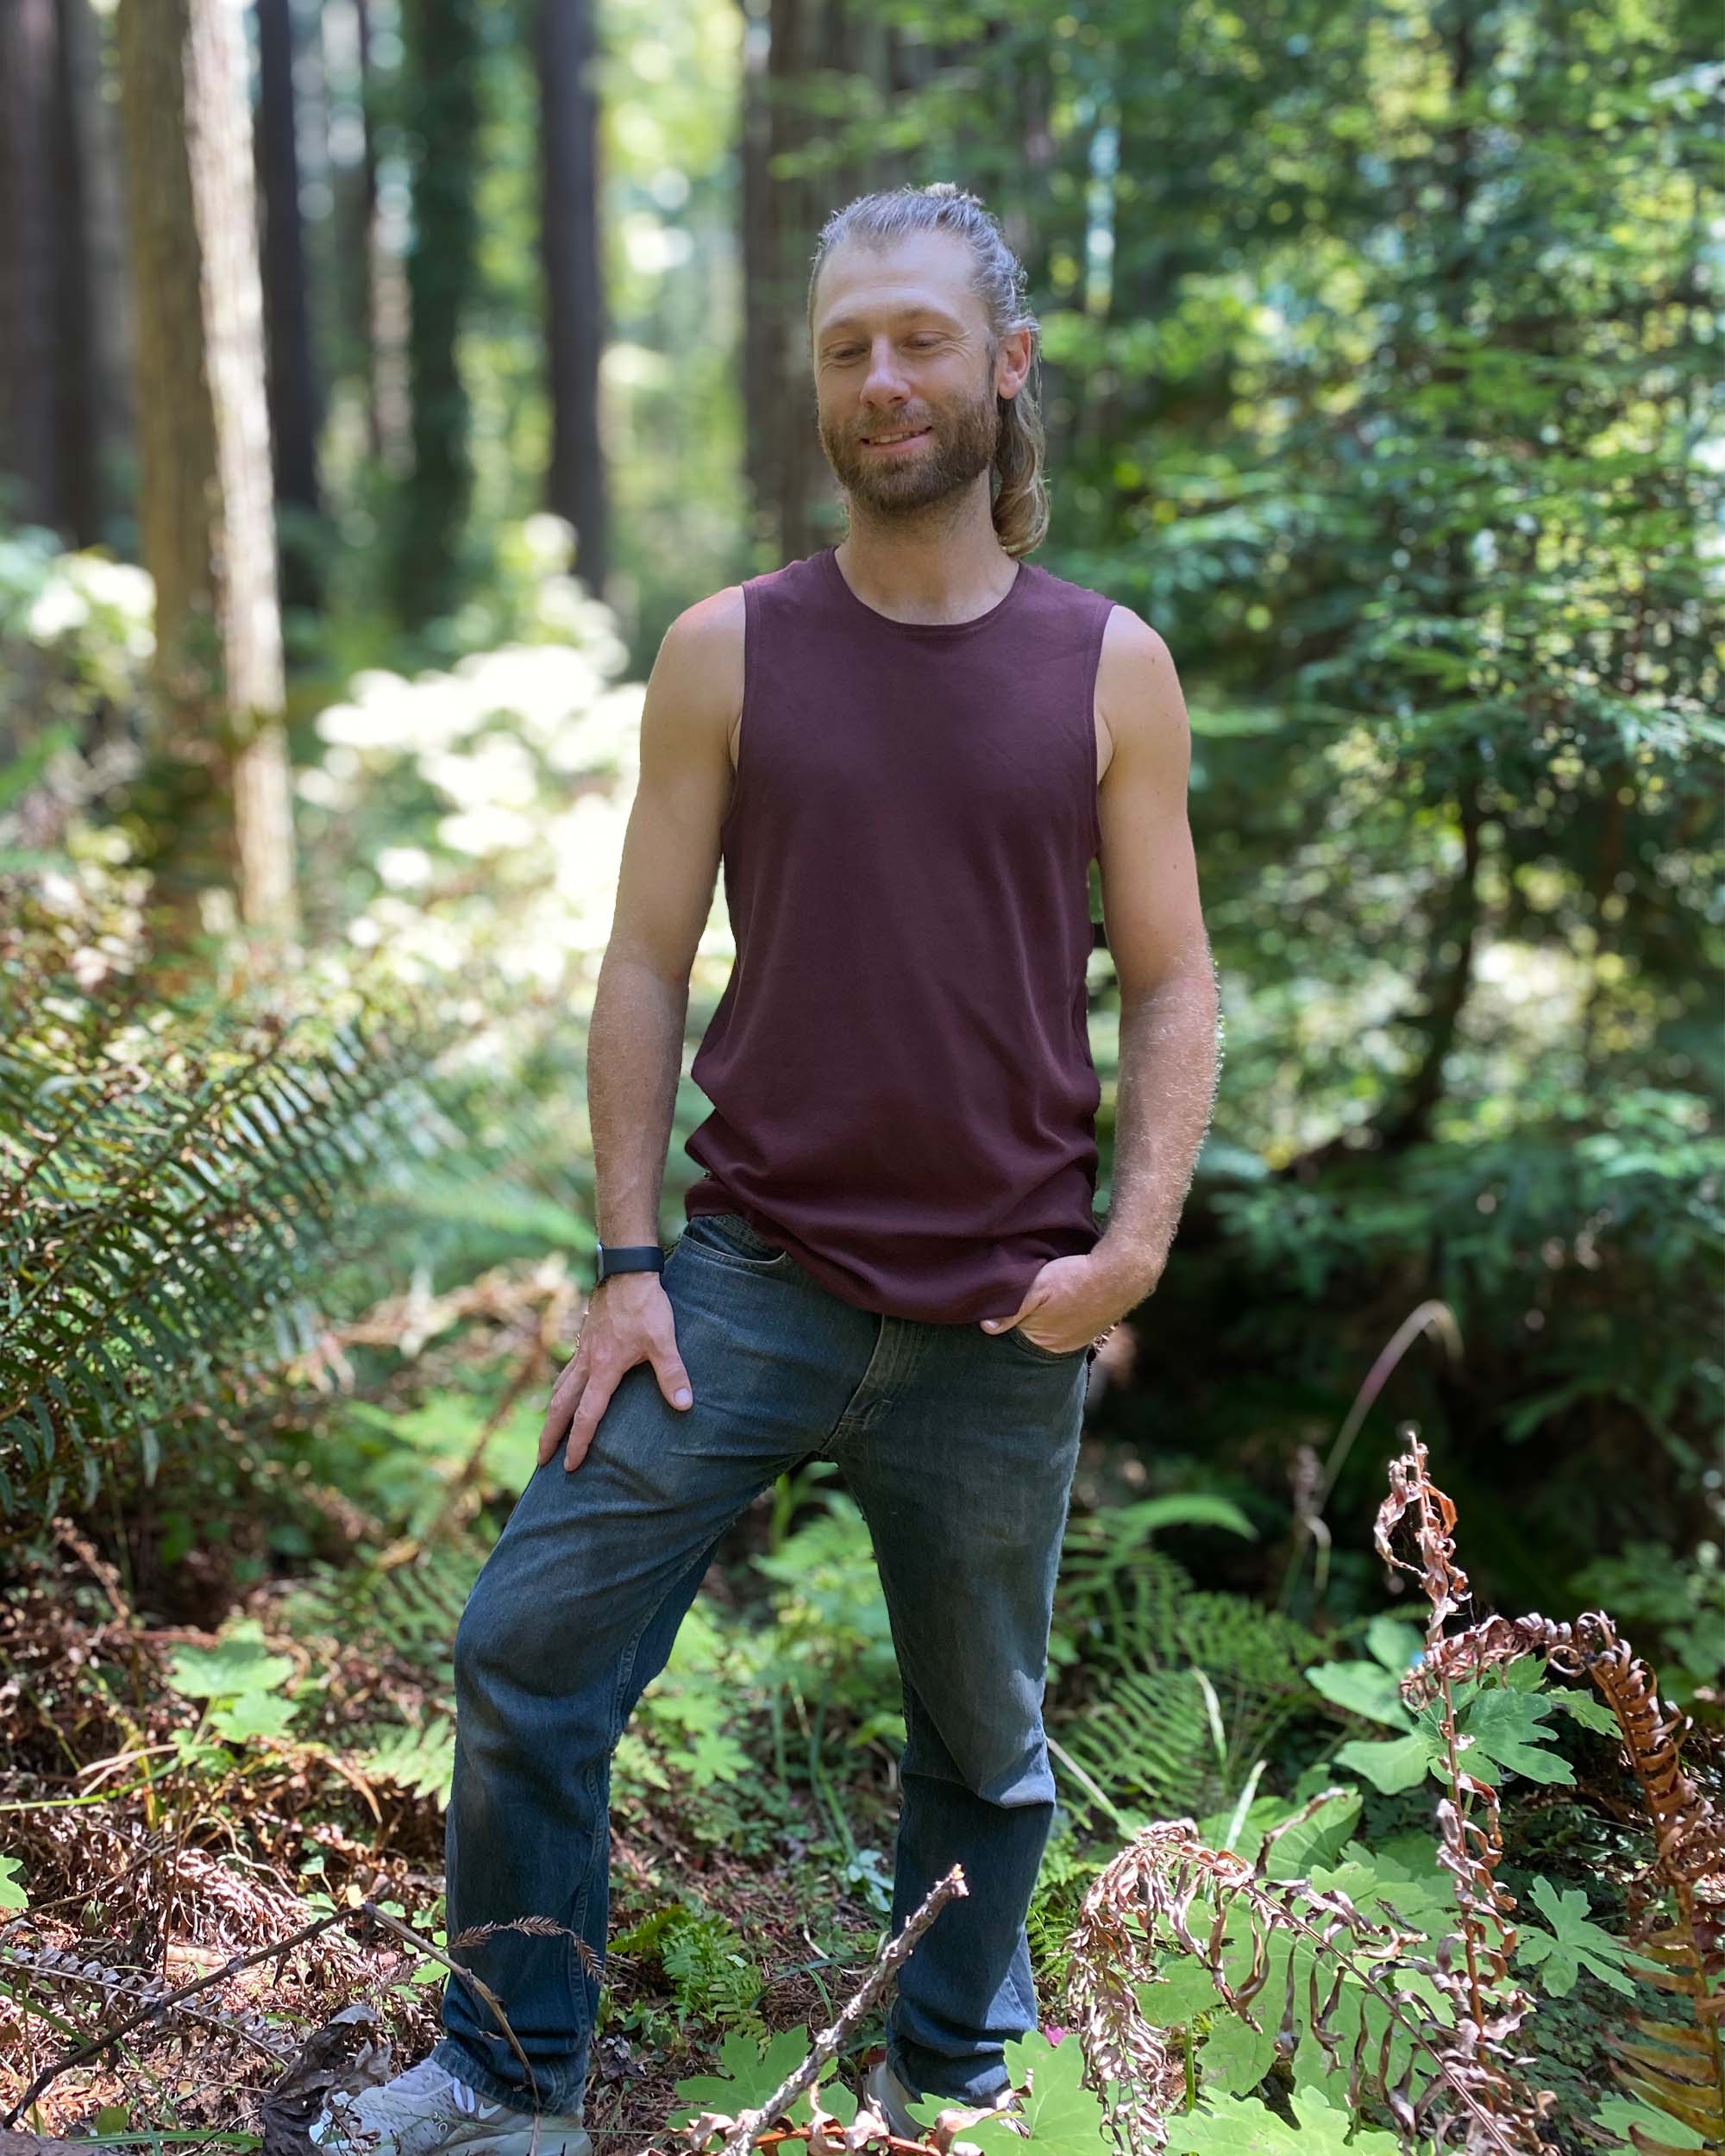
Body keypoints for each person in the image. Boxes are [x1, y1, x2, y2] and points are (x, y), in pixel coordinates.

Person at [312, 180, 1218, 2156]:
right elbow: (643, 960)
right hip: (743, 1276)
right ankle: (509, 2075)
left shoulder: (1104, 666)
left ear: (1005, 363)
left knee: (986, 1736)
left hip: (1004, 1306)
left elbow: (1168, 978)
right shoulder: (727, 649)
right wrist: (626, 1254)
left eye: (915, 336)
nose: (881, 378)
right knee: (527, 1644)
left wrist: (1131, 1241)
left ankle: (945, 2090)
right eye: (844, 346)